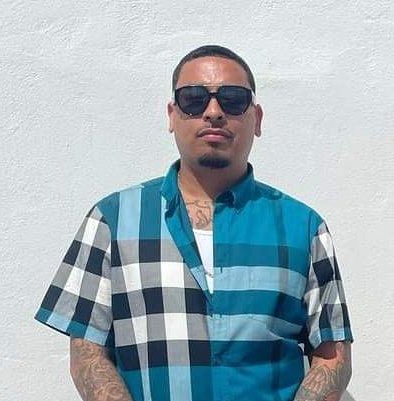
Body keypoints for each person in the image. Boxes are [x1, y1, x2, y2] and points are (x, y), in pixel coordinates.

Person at [35, 44, 354, 401]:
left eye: (233, 100)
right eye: (193, 99)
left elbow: (333, 357)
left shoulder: (303, 228)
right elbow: (87, 354)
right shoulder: (112, 220)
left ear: (257, 118)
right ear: (172, 115)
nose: (213, 112)